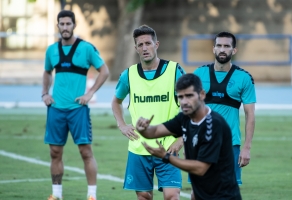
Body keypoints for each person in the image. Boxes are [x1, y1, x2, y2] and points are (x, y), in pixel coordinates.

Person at [135, 74, 242, 200]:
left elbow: (200, 168)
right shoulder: (184, 119)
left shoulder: (213, 124)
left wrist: (166, 156)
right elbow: (155, 131)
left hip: (224, 197)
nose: (184, 101)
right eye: (180, 97)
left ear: (202, 94)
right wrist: (143, 129)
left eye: (189, 96)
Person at [111, 25, 185, 200]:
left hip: (168, 147)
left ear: (156, 44)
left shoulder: (174, 71)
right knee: (144, 196)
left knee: (172, 196)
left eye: (148, 43)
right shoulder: (128, 75)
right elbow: (116, 101)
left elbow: (194, 104)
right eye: (140, 44)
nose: (145, 48)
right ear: (136, 48)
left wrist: (182, 138)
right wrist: (121, 125)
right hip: (139, 148)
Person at [42, 10, 109, 200]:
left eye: (68, 24)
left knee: (86, 152)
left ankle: (91, 195)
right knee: (55, 152)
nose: (65, 27)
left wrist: (90, 93)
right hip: (56, 109)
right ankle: (56, 195)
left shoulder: (87, 48)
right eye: (61, 24)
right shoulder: (51, 50)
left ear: (74, 25)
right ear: (58, 26)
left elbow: (104, 71)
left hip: (78, 110)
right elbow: (47, 72)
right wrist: (45, 93)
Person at [193, 31, 256, 187]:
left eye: (227, 46)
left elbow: (250, 114)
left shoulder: (244, 78)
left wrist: (246, 148)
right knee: (199, 193)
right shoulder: (199, 74)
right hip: (202, 145)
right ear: (213, 49)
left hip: (230, 145)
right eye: (219, 46)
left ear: (234, 50)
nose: (222, 49)